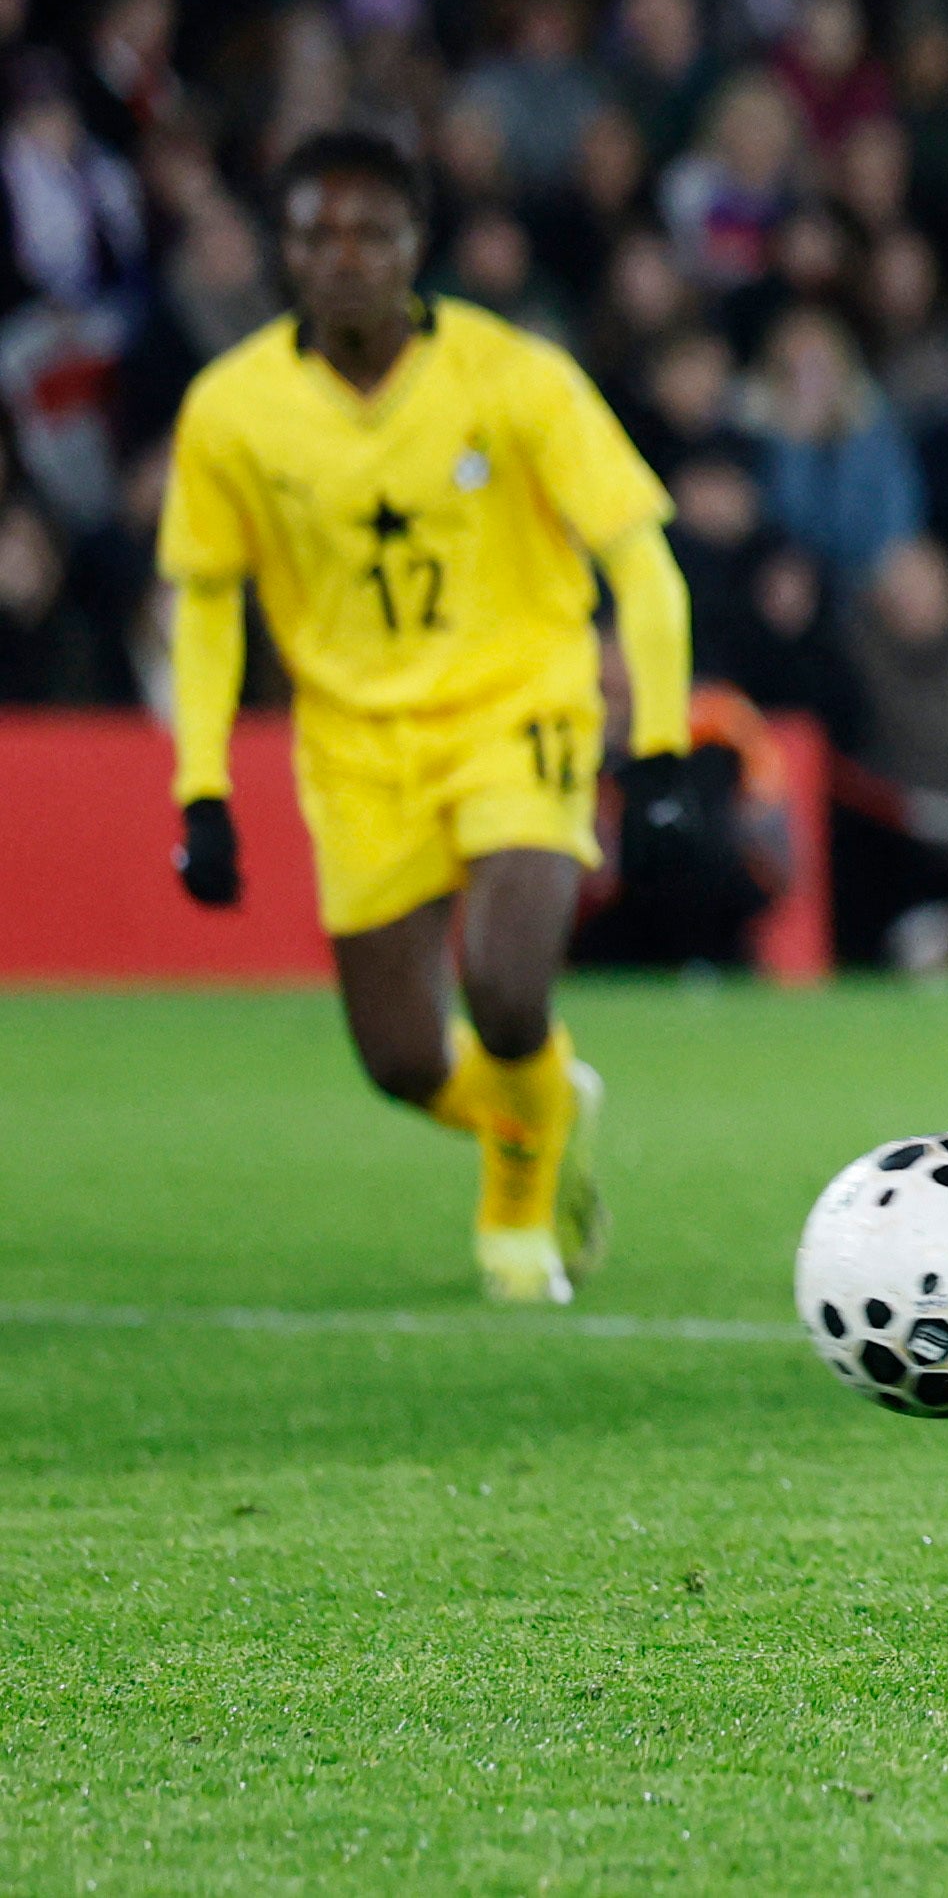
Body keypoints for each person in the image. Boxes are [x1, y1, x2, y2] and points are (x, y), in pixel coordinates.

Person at [159, 130, 734, 1304]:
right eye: (316, 234)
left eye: (371, 233)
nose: (344, 257)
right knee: (400, 1060)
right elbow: (208, 604)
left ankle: (515, 1226)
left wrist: (663, 750)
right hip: (355, 746)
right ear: (283, 252)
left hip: (519, 708)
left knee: (507, 990)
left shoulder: (515, 377)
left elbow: (643, 564)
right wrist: (201, 787)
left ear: (416, 245)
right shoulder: (231, 411)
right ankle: (541, 1108)